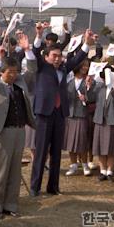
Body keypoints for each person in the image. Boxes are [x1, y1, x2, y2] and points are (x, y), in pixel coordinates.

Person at [29, 23, 96, 196]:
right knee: (41, 152)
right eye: (54, 56)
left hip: (59, 114)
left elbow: (78, 58)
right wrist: (38, 35)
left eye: (60, 56)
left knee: (57, 152)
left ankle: (53, 187)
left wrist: (86, 43)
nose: (58, 59)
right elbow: (35, 53)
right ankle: (35, 187)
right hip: (44, 114)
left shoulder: (65, 69)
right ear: (47, 57)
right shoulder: (42, 67)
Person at [0, 34, 36, 220]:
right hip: (2, 132)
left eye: (15, 71)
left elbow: (32, 70)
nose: (13, 75)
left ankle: (11, 204)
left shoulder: (20, 83)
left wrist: (28, 49)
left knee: (15, 170)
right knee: (1, 171)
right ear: (2, 73)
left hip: (19, 131)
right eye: (9, 72)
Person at [89, 67, 114, 182]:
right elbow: (90, 98)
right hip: (100, 121)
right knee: (101, 147)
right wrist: (89, 86)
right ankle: (103, 170)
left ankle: (110, 171)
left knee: (112, 147)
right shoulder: (100, 88)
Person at [63, 59, 95, 177]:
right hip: (70, 115)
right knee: (70, 141)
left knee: (82, 140)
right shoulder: (69, 81)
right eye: (83, 65)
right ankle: (73, 165)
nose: (85, 68)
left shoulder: (89, 81)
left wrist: (87, 93)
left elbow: (92, 97)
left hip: (82, 114)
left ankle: (85, 164)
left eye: (87, 66)